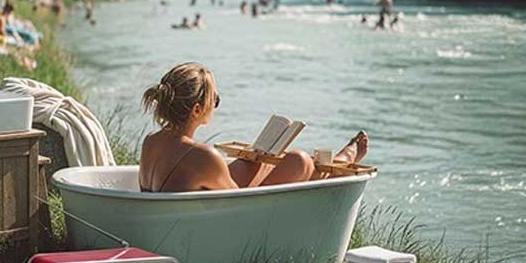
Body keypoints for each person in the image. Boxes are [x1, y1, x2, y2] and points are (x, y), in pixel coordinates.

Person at [138, 63, 371, 192]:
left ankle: (329, 164)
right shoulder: (203, 156)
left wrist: (257, 161)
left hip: (182, 219)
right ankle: (337, 163)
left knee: (252, 164)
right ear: (197, 110)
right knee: (299, 160)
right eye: (215, 100)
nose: (215, 106)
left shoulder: (151, 141)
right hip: (225, 228)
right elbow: (242, 201)